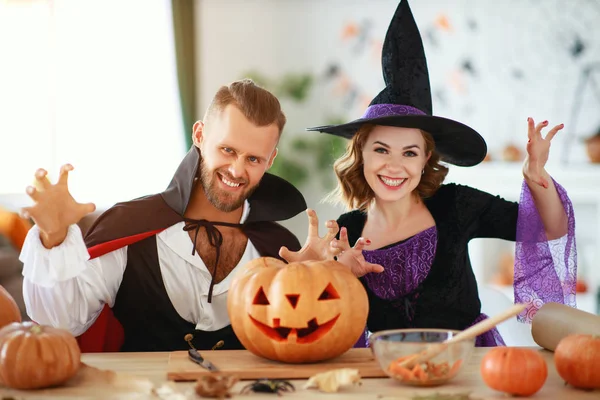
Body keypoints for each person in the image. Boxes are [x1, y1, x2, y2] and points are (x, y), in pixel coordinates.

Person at [306, 0, 576, 346]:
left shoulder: (457, 204)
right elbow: (323, 324)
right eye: (381, 149)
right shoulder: (346, 231)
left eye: (409, 152)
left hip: (469, 368)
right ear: (361, 154)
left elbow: (552, 228)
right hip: (386, 376)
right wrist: (335, 277)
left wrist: (535, 174)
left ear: (425, 159)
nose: (394, 165)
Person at [18, 79, 335, 352]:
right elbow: (60, 322)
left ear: (270, 160)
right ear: (199, 135)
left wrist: (312, 279)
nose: (237, 170)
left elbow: (302, 341)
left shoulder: (279, 247)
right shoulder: (130, 226)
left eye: (253, 158)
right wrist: (53, 238)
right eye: (227, 150)